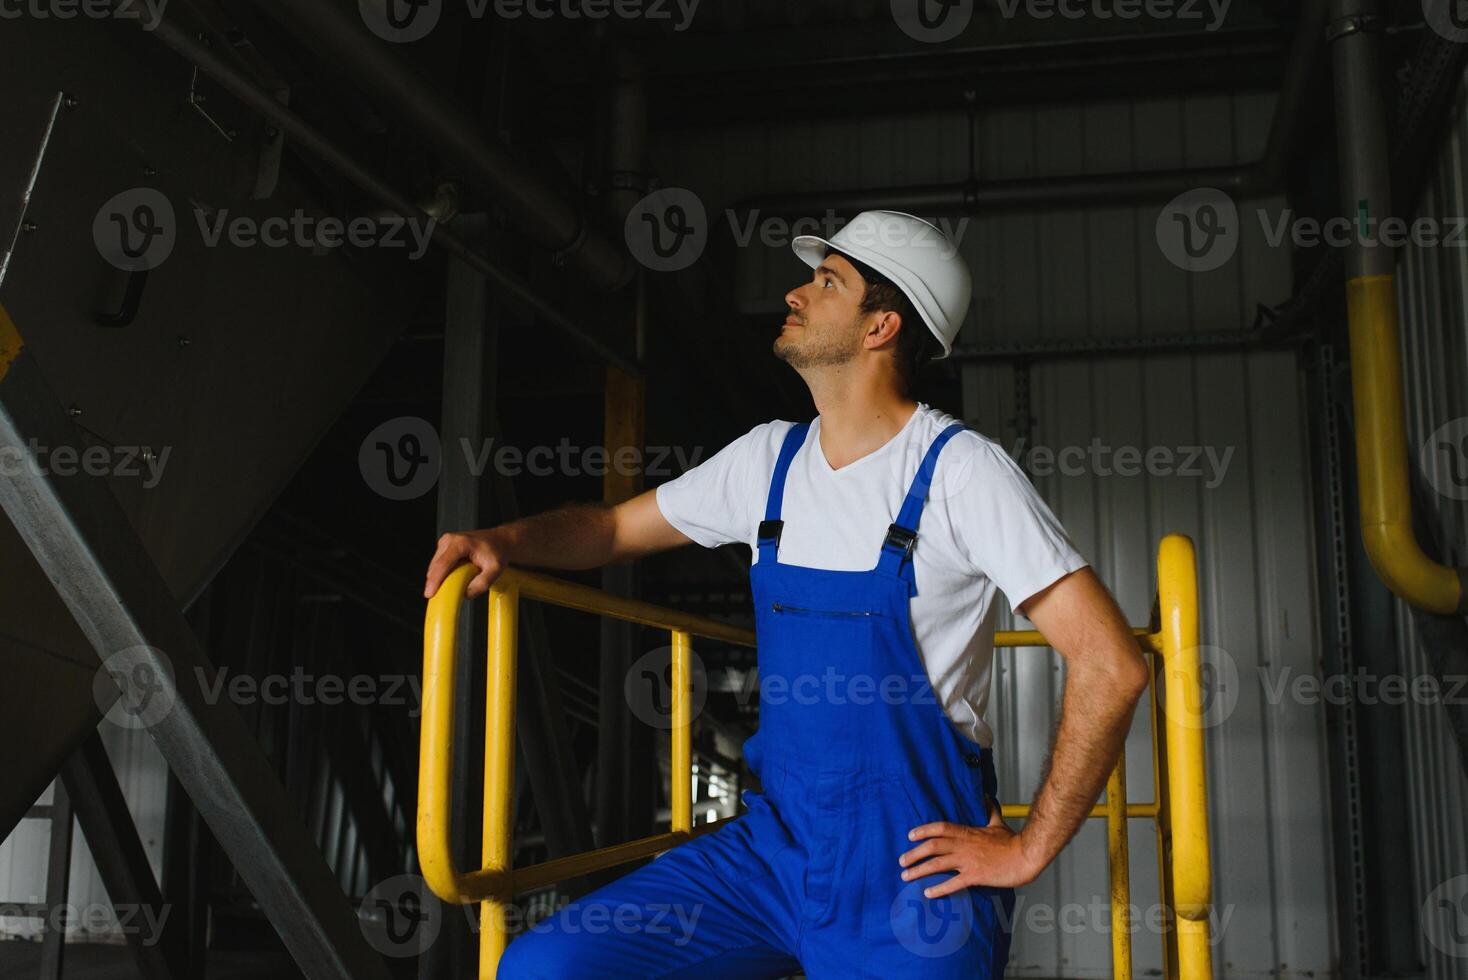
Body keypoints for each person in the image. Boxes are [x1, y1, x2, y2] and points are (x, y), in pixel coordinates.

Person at [423, 210, 1151, 977]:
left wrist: (1029, 849)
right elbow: (609, 531)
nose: (797, 293)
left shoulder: (961, 473)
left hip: (912, 876)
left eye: (827, 281)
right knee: (544, 968)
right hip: (773, 855)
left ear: (882, 326)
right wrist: (504, 541)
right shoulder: (769, 460)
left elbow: (1112, 665)